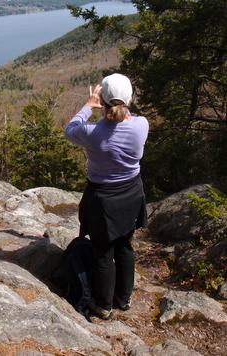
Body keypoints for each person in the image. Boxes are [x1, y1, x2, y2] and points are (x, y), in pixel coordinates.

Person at [64, 73, 149, 320]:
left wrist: (89, 105)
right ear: (129, 98)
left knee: (103, 252)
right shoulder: (141, 125)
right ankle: (124, 298)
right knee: (124, 245)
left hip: (102, 198)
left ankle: (103, 305)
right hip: (132, 193)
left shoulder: (92, 132)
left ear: (103, 99)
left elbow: (70, 129)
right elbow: (128, 119)